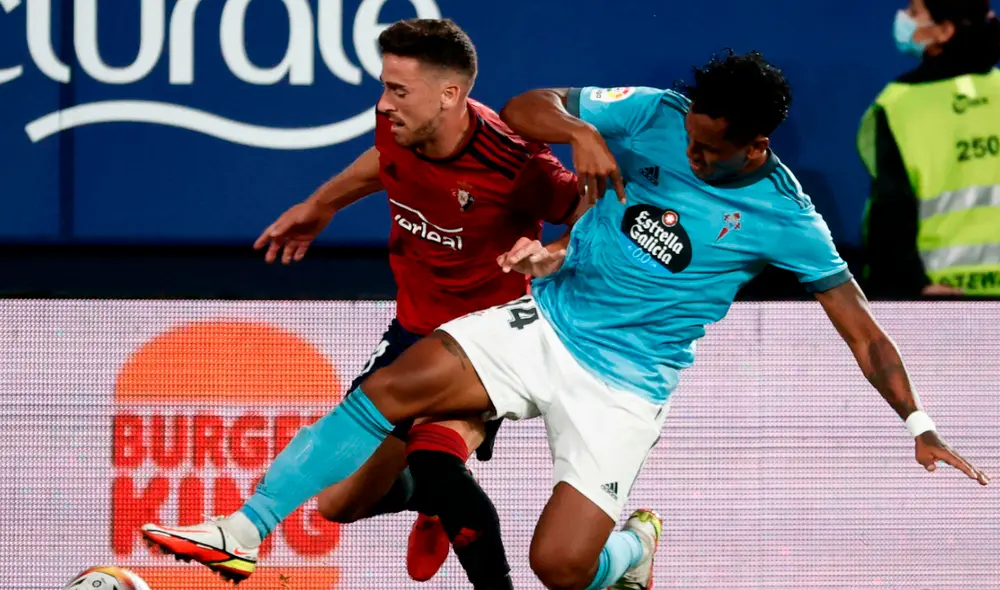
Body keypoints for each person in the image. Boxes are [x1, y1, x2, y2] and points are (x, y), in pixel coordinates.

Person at [152, 50, 990, 590]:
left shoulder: (788, 219)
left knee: (560, 566)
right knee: (393, 386)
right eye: (690, 141)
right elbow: (526, 103)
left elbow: (864, 333)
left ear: (757, 142)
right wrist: (582, 130)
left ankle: (634, 552)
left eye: (709, 153)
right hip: (545, 324)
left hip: (625, 388)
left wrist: (917, 421)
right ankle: (244, 529)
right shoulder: (657, 111)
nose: (689, 157)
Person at [140, 18, 583, 590]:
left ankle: (437, 512)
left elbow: (593, 221)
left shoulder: (517, 163)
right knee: (339, 504)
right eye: (384, 86)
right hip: (414, 327)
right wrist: (321, 204)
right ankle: (427, 501)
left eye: (399, 90)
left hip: (486, 340)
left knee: (435, 458)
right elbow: (386, 163)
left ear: (450, 94)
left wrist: (550, 253)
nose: (384, 103)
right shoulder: (396, 124)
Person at [860, 0, 1000, 298]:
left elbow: (890, 211)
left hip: (939, 298)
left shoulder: (898, 105)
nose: (903, 19)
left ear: (944, 31)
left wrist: (909, 286)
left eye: (913, 12)